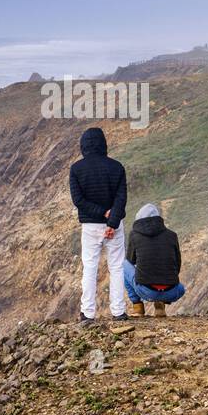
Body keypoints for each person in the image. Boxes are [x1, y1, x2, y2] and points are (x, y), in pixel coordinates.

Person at [69, 127, 128, 322]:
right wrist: (111, 221)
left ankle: (88, 314)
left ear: (83, 145)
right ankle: (118, 312)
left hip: (90, 227)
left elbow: (78, 200)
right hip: (115, 225)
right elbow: (121, 198)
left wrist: (101, 213)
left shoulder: (76, 169)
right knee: (117, 267)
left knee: (90, 267)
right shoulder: (117, 167)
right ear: (103, 144)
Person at [124, 202, 185, 317]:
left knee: (124, 265)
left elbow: (131, 260)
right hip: (172, 291)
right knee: (181, 288)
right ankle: (160, 306)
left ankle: (138, 308)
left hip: (147, 291)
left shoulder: (134, 235)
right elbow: (177, 264)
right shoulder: (172, 235)